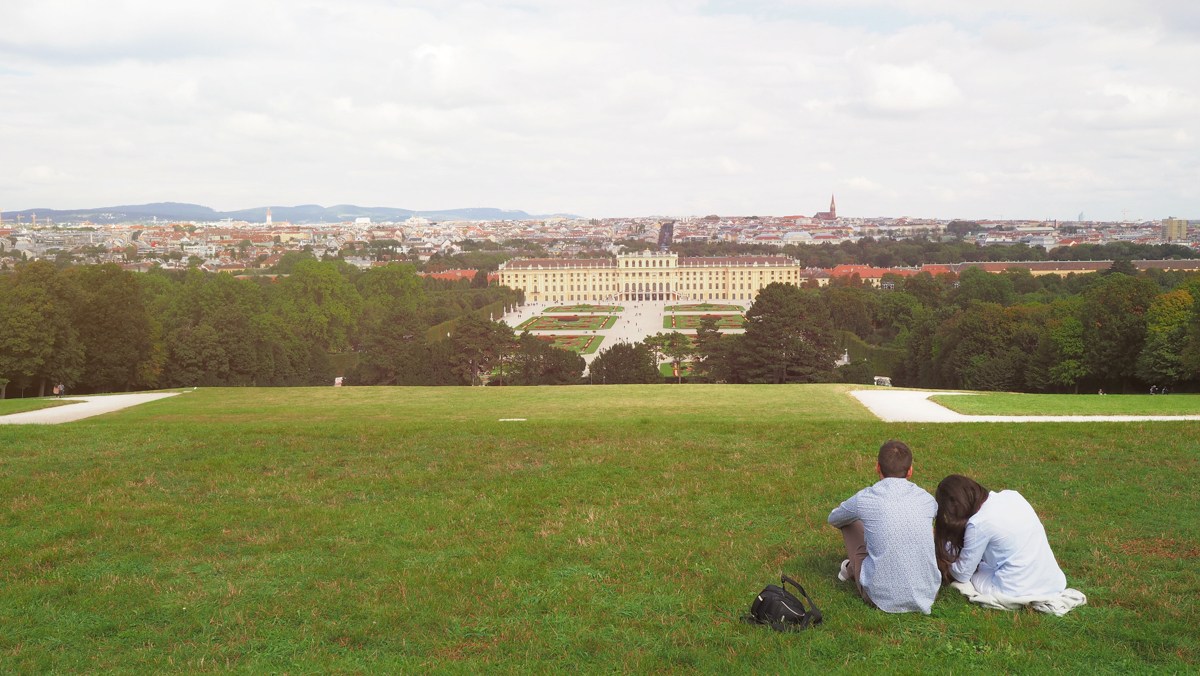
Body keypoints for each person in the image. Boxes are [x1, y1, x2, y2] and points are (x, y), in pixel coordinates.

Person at [828, 440, 940, 614]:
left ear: (877, 467)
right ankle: (851, 568)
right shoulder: (927, 499)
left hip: (879, 598)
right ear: (910, 470)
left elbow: (835, 518)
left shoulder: (864, 499)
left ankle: (851, 569)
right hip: (929, 594)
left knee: (849, 523)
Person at [933, 475, 1066, 598]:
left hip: (1017, 589)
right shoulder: (1012, 495)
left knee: (972, 575)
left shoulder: (978, 524)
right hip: (1052, 580)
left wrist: (943, 563)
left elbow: (962, 574)